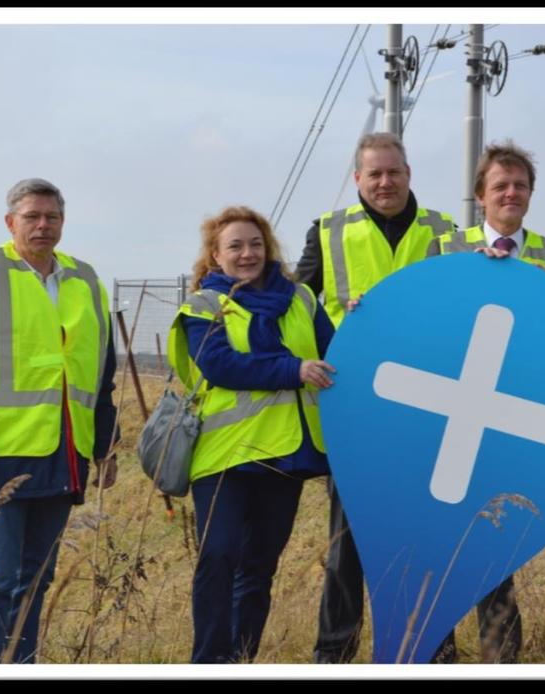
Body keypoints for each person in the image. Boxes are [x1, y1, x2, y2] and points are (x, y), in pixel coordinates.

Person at [428, 140, 545, 664]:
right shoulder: (445, 251)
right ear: (480, 195)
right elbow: (431, 324)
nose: (511, 193)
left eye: (520, 186)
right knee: (481, 538)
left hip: (535, 417)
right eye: (500, 185)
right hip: (468, 418)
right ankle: (492, 654)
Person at [0, 178, 119, 664]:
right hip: (2, 457)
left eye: (52, 217)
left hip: (66, 454)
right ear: (10, 222)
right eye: (32, 217)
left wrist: (106, 446)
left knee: (37, 579)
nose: (43, 225)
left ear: (62, 222)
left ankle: (22, 665)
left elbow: (102, 373)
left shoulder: (86, 280)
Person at [294, 132, 457, 664]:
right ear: (357, 179)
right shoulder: (327, 231)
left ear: (409, 174)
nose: (385, 182)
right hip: (358, 410)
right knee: (349, 536)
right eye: (374, 174)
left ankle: (432, 649)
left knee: (428, 532)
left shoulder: (445, 231)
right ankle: (335, 653)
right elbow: (297, 307)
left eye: (394, 172)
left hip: (432, 406)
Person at [168, 205, 336, 664]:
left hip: (286, 456)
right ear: (215, 256)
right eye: (235, 246)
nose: (248, 253)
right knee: (218, 557)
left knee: (258, 569)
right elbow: (221, 365)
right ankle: (208, 661)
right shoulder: (203, 305)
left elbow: (336, 352)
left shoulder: (301, 299)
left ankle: (241, 660)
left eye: (256, 244)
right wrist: (293, 369)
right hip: (225, 457)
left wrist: (360, 316)